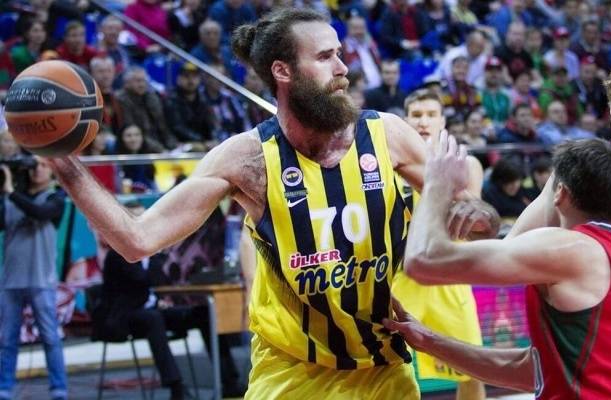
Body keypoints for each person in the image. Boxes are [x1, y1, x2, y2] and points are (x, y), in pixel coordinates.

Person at [46, 9, 500, 399]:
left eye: (340, 54)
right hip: (291, 374)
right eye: (325, 57)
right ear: (283, 71)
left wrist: (471, 213)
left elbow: (481, 220)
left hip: (383, 370)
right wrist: (63, 164)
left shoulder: (389, 135)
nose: (343, 68)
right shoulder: (246, 159)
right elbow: (136, 240)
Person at [387, 133, 611, 399]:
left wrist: (436, 184)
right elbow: (530, 370)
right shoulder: (606, 251)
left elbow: (423, 260)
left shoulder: (569, 249)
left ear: (560, 193)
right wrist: (430, 341)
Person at [93, 200, 242, 400]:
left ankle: (229, 381)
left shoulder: (154, 253)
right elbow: (141, 278)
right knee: (153, 318)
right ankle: (176, 387)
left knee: (203, 313)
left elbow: (165, 279)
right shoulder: (118, 253)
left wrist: (159, 255)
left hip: (152, 311)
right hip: (122, 316)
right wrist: (155, 255)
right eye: (137, 219)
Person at [393, 89, 486, 400]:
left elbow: (471, 224)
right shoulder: (390, 166)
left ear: (442, 121)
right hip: (401, 278)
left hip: (447, 277)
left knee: (472, 369)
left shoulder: (467, 164)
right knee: (388, 367)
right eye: (416, 115)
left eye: (431, 115)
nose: (423, 121)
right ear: (406, 121)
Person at [0, 158, 68, 400]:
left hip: (41, 280)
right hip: (11, 280)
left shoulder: (55, 198)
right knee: (7, 340)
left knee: (50, 337)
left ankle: (59, 388)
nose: (37, 169)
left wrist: (10, 192)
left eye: (44, 165)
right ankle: (4, 388)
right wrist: (6, 189)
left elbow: (40, 213)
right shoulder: (9, 199)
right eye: (34, 165)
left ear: (52, 172)